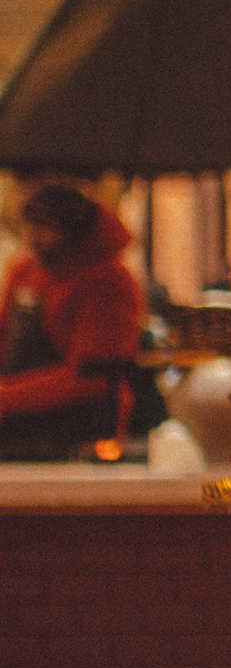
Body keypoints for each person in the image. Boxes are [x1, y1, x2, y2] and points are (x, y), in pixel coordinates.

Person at [0, 178, 157, 460]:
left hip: (81, 431)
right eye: (31, 226)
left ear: (73, 230)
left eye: (44, 228)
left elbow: (91, 377)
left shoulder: (108, 280)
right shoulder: (27, 269)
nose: (33, 236)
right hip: (19, 421)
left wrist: (5, 397)